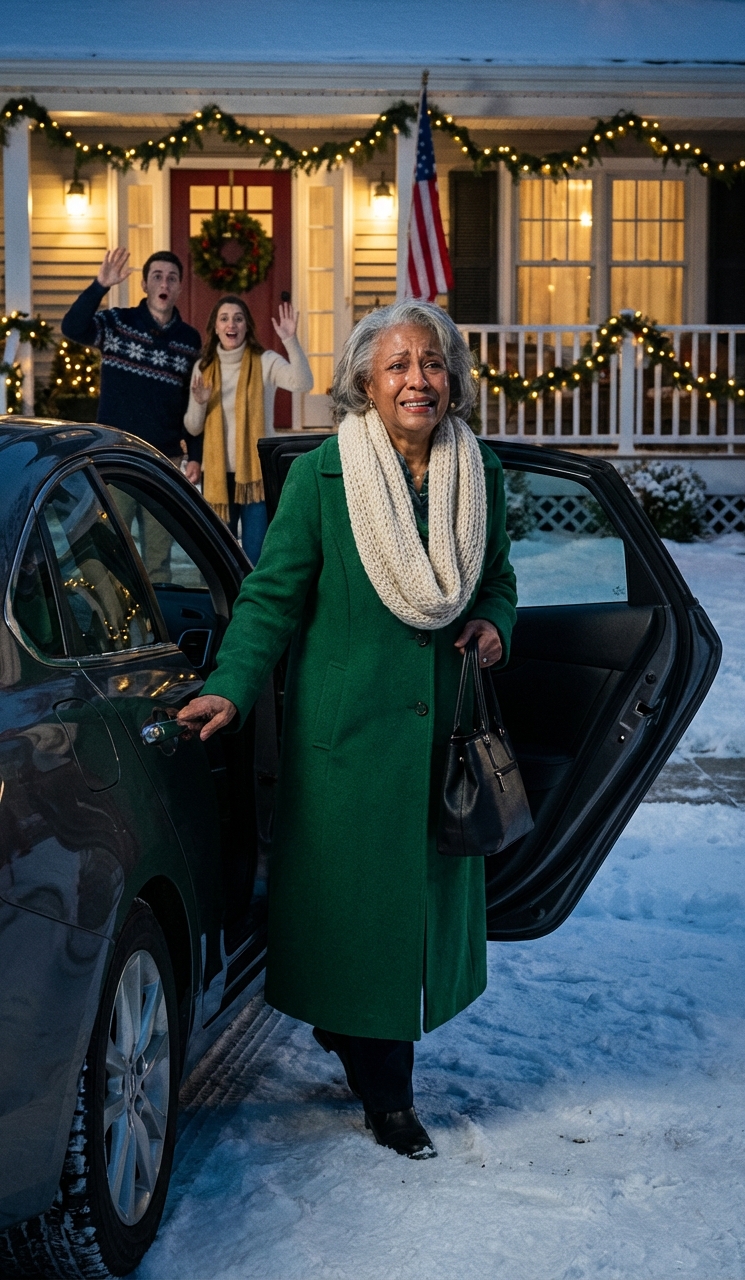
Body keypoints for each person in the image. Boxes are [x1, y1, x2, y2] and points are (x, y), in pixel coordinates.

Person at [178, 301, 518, 1161]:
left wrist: (492, 623)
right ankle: (389, 1100)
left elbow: (498, 578)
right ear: (366, 381)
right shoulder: (324, 476)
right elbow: (271, 597)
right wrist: (231, 686)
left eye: (432, 363)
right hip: (349, 745)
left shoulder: (478, 474)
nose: (417, 379)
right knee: (361, 921)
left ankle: (360, 1039)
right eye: (398, 364)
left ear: (452, 379)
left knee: (404, 924)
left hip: (439, 740)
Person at [61, 248, 202, 581]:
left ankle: (160, 611)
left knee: (159, 560)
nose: (164, 283)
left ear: (180, 287)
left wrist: (194, 455)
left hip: (163, 460)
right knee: (110, 552)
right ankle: (113, 613)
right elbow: (72, 327)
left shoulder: (189, 340)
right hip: (115, 455)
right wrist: (100, 285)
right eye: (157, 277)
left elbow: (193, 401)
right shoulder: (117, 323)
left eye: (172, 278)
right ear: (144, 284)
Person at [183, 295, 312, 565]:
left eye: (238, 318)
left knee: (257, 557)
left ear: (247, 326)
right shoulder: (203, 367)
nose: (231, 324)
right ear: (216, 327)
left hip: (256, 476)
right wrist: (200, 402)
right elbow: (193, 427)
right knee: (221, 558)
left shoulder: (265, 361)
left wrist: (290, 340)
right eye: (224, 319)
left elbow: (303, 383)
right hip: (217, 476)